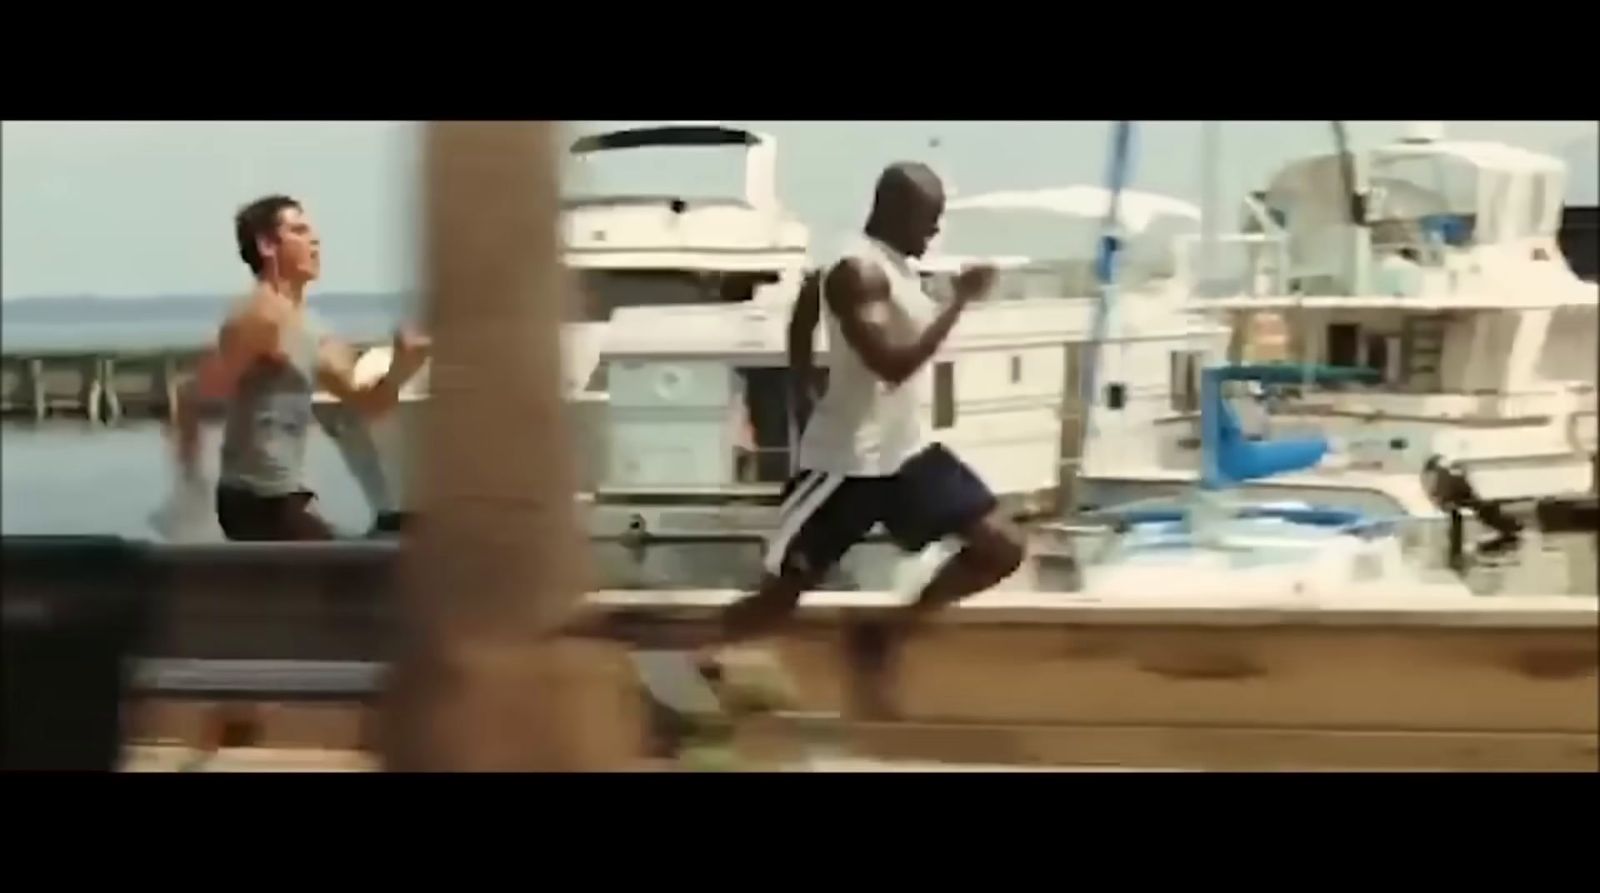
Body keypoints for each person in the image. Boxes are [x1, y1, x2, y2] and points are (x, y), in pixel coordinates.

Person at [601, 163, 1025, 703]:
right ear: (893, 211)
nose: (934, 232)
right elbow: (891, 365)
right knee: (778, 599)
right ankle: (671, 659)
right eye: (928, 219)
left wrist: (803, 387)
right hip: (846, 466)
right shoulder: (859, 272)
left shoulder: (892, 266)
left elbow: (804, 313)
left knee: (1003, 547)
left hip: (906, 455)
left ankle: (882, 634)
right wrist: (960, 302)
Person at [165, 194, 430, 541]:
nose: (315, 240)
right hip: (255, 500)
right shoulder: (258, 317)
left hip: (287, 498)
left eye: (312, 232)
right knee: (363, 564)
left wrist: (404, 365)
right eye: (300, 230)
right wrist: (191, 489)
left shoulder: (310, 328)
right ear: (267, 245)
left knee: (392, 539)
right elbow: (192, 394)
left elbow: (367, 403)